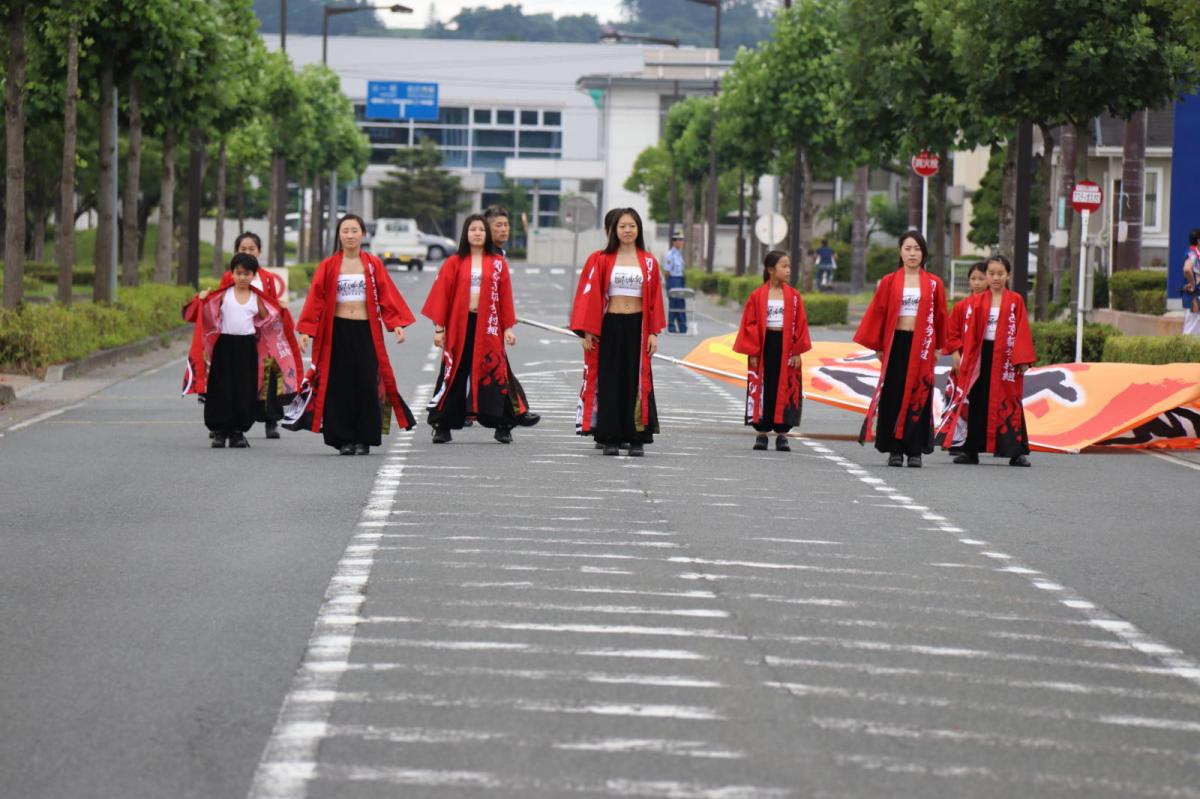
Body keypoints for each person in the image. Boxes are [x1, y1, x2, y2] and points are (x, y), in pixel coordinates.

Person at [294, 214, 416, 455]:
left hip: (365, 331)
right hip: (336, 332)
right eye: (345, 231)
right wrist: (307, 330)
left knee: (367, 384)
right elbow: (315, 299)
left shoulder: (372, 265)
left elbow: (386, 295)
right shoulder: (329, 266)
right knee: (338, 385)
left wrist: (396, 324)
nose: (349, 236)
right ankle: (343, 439)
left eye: (354, 231)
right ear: (339, 235)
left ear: (363, 234)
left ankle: (364, 438)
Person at [424, 214, 533, 444]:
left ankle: (504, 424)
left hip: (489, 326)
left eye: (481, 230)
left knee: (494, 371)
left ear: (487, 235)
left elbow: (505, 297)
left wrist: (508, 329)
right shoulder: (454, 262)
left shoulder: (497, 263)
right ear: (466, 233)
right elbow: (441, 296)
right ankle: (442, 425)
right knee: (453, 372)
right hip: (459, 326)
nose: (477, 233)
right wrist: (439, 328)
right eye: (473, 229)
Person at [570, 208, 665, 456]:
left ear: (639, 229)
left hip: (638, 327)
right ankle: (610, 436)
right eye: (622, 226)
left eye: (632, 226)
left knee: (635, 382)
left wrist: (654, 333)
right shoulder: (602, 258)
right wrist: (588, 332)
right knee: (610, 381)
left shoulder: (648, 261)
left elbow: (655, 299)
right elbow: (590, 297)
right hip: (610, 325)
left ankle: (635, 438)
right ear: (614, 230)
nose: (627, 230)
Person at [183, 253, 300, 448]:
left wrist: (279, 308)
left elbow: (269, 318)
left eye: (247, 273)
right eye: (238, 273)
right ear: (232, 274)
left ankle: (238, 431)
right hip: (224, 347)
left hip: (247, 347)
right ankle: (220, 431)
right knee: (220, 389)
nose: (242, 277)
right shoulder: (223, 295)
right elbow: (206, 313)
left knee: (244, 389)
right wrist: (201, 298)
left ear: (254, 275)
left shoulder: (257, 298)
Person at [853, 230, 947, 468]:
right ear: (900, 252)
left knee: (920, 395)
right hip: (896, 344)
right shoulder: (890, 281)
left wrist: (939, 347)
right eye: (908, 248)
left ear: (923, 253)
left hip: (922, 345)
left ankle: (915, 450)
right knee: (893, 394)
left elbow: (941, 317)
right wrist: (878, 346)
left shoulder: (934, 283)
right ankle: (894, 449)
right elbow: (878, 313)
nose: (912, 253)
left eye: (917, 249)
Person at [938, 255, 1036, 467]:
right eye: (991, 274)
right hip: (980, 357)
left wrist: (1022, 360)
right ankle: (971, 450)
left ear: (1008, 275)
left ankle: (1015, 451)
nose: (996, 278)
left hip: (1006, 357)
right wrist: (959, 353)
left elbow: (1022, 330)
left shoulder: (1015, 300)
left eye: (1000, 274)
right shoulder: (975, 302)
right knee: (977, 401)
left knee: (1009, 401)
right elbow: (965, 332)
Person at [209, 232, 296, 439]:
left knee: (268, 378)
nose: (248, 252)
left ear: (260, 251)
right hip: (231, 336)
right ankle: (222, 425)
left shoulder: (266, 277)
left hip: (260, 337)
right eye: (243, 249)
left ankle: (270, 420)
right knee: (229, 380)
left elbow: (270, 307)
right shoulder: (228, 278)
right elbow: (216, 304)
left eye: (252, 249)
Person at [733, 250, 812, 452]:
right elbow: (749, 325)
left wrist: (797, 351)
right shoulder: (757, 296)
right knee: (763, 387)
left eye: (789, 266)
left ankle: (782, 434)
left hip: (786, 346)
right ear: (770, 269)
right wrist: (753, 352)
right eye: (784, 266)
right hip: (764, 345)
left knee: (785, 388)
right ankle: (761, 433)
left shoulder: (794, 297)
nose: (788, 270)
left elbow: (801, 324)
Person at [483, 204, 540, 428]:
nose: (504, 230)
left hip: (492, 325)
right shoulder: (478, 255)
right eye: (498, 225)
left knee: (498, 369)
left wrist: (506, 323)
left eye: (506, 225)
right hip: (471, 322)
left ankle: (512, 417)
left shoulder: (500, 255)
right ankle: (445, 421)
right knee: (459, 371)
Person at [663, 231, 687, 333]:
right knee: (673, 303)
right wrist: (668, 282)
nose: (682, 242)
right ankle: (672, 327)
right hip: (673, 279)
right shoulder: (670, 255)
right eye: (679, 239)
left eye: (682, 239)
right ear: (674, 242)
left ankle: (682, 327)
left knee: (681, 303)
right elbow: (667, 271)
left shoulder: (679, 254)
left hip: (680, 280)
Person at [1183, 228, 1200, 337]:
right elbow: (1187, 269)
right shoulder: (1192, 254)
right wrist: (1193, 284)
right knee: (1191, 330)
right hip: (1194, 296)